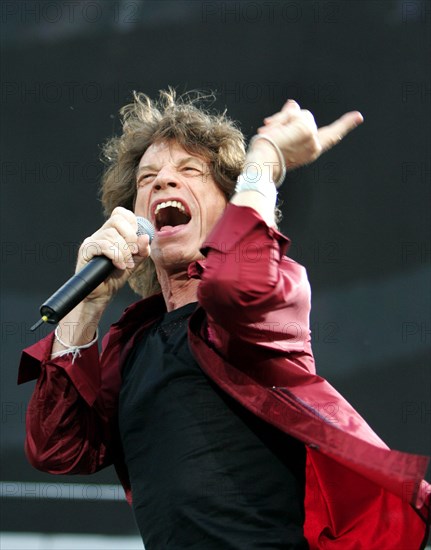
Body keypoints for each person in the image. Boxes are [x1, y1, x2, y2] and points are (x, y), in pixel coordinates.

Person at [19, 90, 430, 549]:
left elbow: (236, 285)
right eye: (147, 178)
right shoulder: (132, 343)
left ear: (231, 207)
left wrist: (264, 162)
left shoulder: (272, 295)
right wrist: (87, 307)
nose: (162, 183)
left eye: (190, 171)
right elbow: (58, 448)